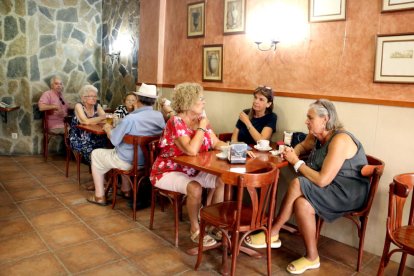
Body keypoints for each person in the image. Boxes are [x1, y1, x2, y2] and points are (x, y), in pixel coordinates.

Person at [245, 99, 369, 274]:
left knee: (298, 182)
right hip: (331, 188)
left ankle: (273, 232)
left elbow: (322, 180)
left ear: (325, 119)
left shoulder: (340, 139)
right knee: (301, 204)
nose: (306, 121)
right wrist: (292, 152)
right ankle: (312, 257)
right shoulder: (317, 136)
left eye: (310, 118)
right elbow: (303, 145)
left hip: (348, 193)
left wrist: (296, 163)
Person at [150, 82, 227, 247]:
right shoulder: (175, 121)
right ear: (188, 102)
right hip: (167, 171)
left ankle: (212, 223)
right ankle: (195, 229)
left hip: (193, 171)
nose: (204, 102)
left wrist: (234, 149)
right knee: (195, 188)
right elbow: (192, 150)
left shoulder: (200, 120)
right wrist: (202, 127)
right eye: (201, 99)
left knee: (223, 180)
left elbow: (216, 142)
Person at [87, 84, 165, 205]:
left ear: (137, 100)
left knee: (96, 154)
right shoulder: (159, 116)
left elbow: (114, 140)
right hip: (150, 161)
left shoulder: (130, 118)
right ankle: (126, 189)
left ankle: (99, 196)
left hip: (128, 162)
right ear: (154, 101)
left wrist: (108, 129)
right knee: (124, 151)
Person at [69, 84, 106, 165]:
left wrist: (95, 120)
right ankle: (98, 170)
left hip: (96, 135)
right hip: (79, 137)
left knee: (109, 147)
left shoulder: (97, 106)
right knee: (94, 156)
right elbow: (86, 121)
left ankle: (104, 172)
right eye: (91, 96)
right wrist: (100, 118)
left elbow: (105, 120)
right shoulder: (79, 106)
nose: (94, 98)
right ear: (84, 98)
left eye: (95, 96)